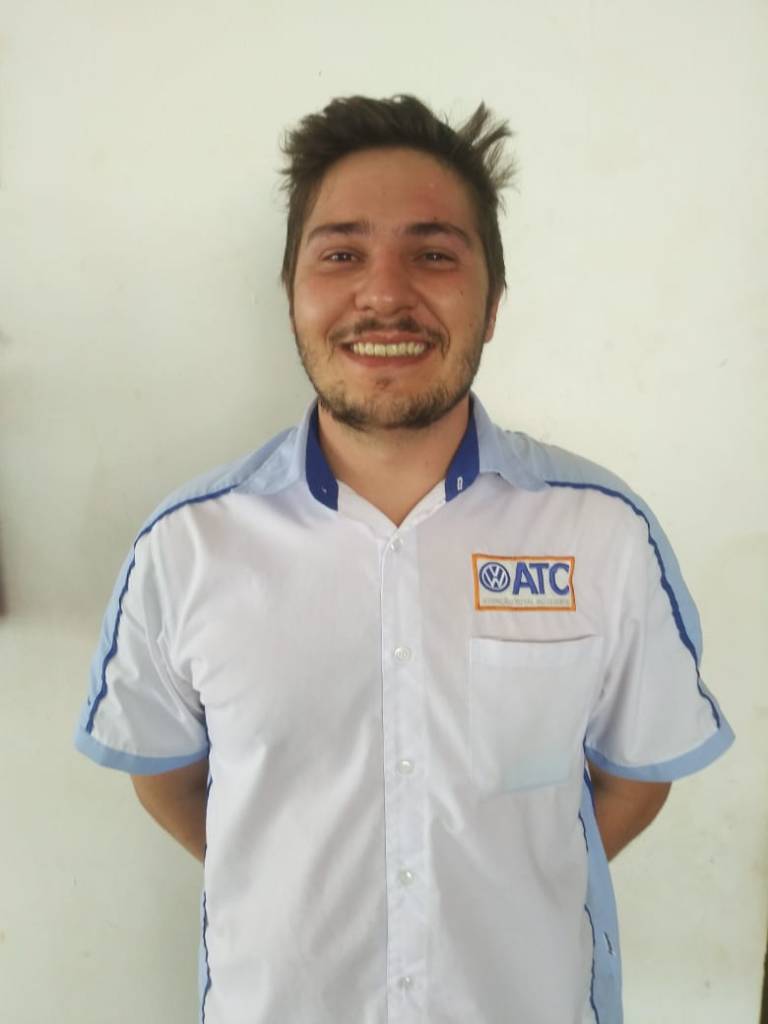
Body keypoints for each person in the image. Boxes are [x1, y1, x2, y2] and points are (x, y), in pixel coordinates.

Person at [75, 94, 734, 1024]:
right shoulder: (186, 548)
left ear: (493, 303)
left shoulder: (601, 534)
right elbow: (169, 777)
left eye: (433, 255)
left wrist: (506, 879)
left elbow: (637, 773)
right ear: (291, 292)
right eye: (342, 254)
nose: (384, 295)